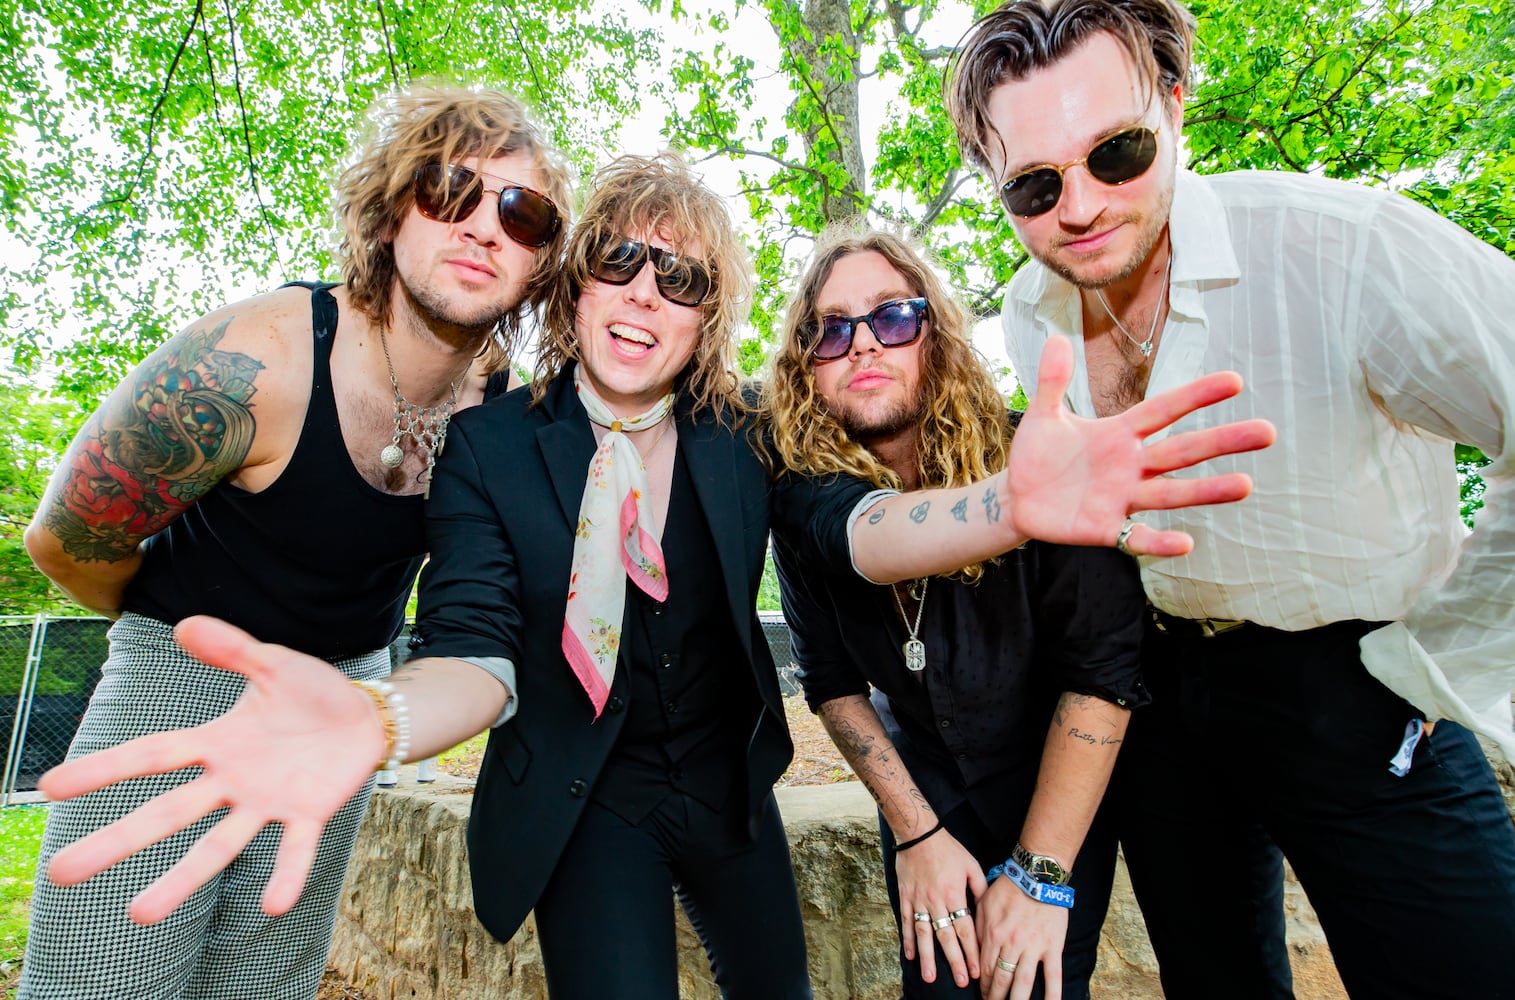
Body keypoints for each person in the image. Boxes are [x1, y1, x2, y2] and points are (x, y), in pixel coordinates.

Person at [34, 153, 1271, 995]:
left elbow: (852, 533)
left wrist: (1009, 504)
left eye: (679, 279)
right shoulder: (490, 441)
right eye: (619, 263)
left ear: (706, 311)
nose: (645, 296)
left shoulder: (745, 434)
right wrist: (377, 712)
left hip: (727, 793)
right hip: (583, 804)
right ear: (575, 289)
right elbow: (474, 642)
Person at [946, 2, 1515, 997]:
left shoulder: (1344, 249)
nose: (1078, 206)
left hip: (1364, 683)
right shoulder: (1034, 309)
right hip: (1169, 698)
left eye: (1115, 153)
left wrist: (1440, 656)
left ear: (1174, 104)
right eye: (1034, 185)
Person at [19, 85, 570, 1000]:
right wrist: (181, 640)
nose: (483, 227)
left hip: (345, 699)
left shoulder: (502, 412)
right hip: (177, 680)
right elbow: (65, 541)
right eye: (448, 189)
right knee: (102, 980)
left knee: (260, 987)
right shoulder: (251, 362)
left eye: (522, 212)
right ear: (392, 208)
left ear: (542, 259)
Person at [765, 225, 1146, 1000]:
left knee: (1033, 986)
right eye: (829, 330)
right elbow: (832, 685)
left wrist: (1039, 876)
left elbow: (1103, 678)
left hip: (1054, 785)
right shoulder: (802, 497)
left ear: (933, 336)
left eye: (892, 318)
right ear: (804, 365)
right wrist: (917, 833)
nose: (863, 345)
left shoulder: (1034, 459)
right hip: (923, 784)